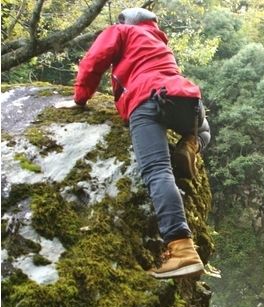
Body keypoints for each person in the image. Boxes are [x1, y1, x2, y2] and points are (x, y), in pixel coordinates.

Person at [56, 7, 210, 279]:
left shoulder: (123, 31)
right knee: (202, 128)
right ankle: (191, 143)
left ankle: (182, 249)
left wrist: (80, 98)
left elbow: (95, 60)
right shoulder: (160, 44)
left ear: (127, 21)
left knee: (158, 171)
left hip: (147, 99)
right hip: (185, 99)